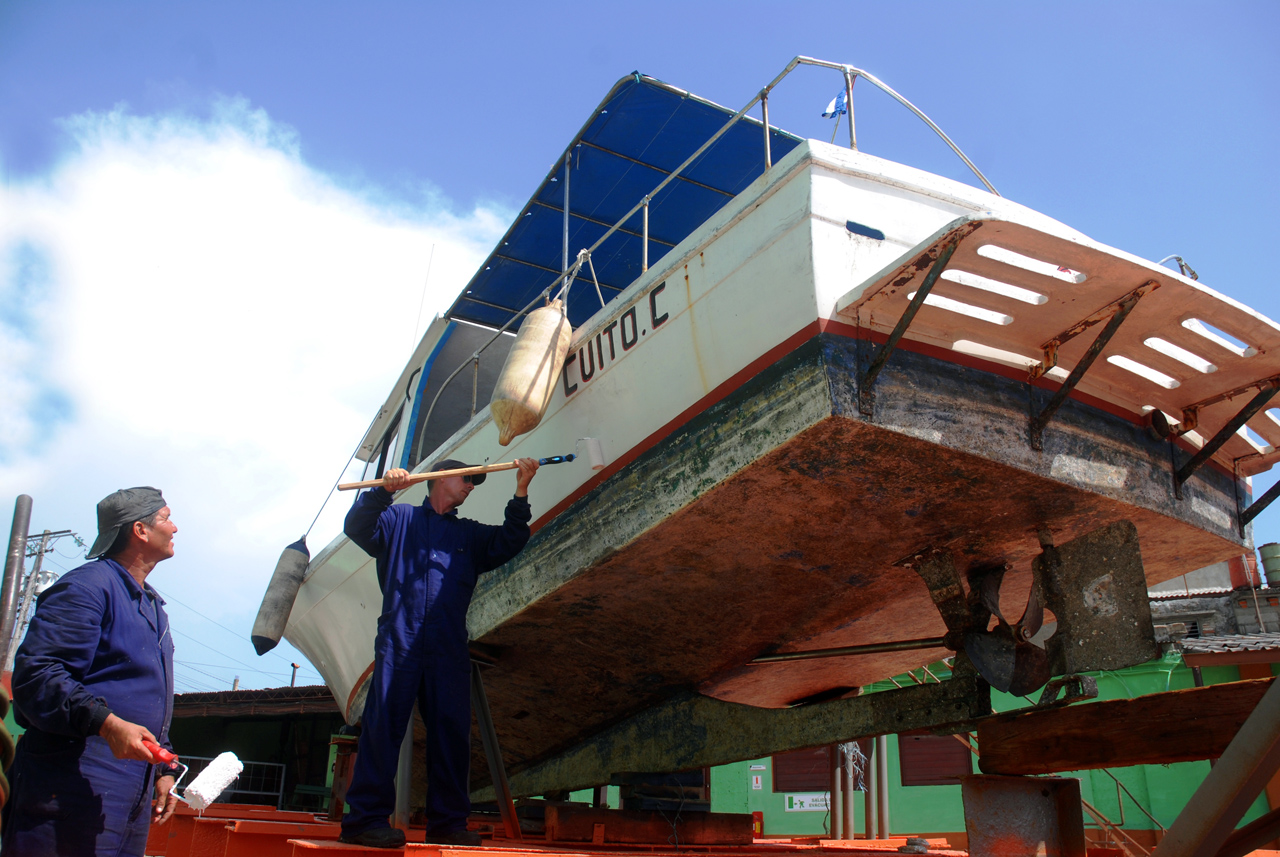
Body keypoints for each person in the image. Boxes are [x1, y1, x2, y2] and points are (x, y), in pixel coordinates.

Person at [339, 458, 539, 849]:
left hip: (447, 644)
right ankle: (363, 821)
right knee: (383, 728)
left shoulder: (469, 535)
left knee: (451, 734)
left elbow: (510, 540)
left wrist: (521, 490)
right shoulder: (398, 521)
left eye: (475, 483)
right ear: (441, 478)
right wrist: (384, 490)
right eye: (467, 478)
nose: (471, 487)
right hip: (400, 638)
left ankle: (448, 823)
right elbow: (356, 527)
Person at [2, 487, 183, 856]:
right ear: (140, 531)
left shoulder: (152, 608)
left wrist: (164, 767)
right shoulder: (87, 588)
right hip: (69, 791)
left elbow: (141, 698)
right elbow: (37, 676)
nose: (175, 527)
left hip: (125, 798)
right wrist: (106, 723)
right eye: (166, 518)